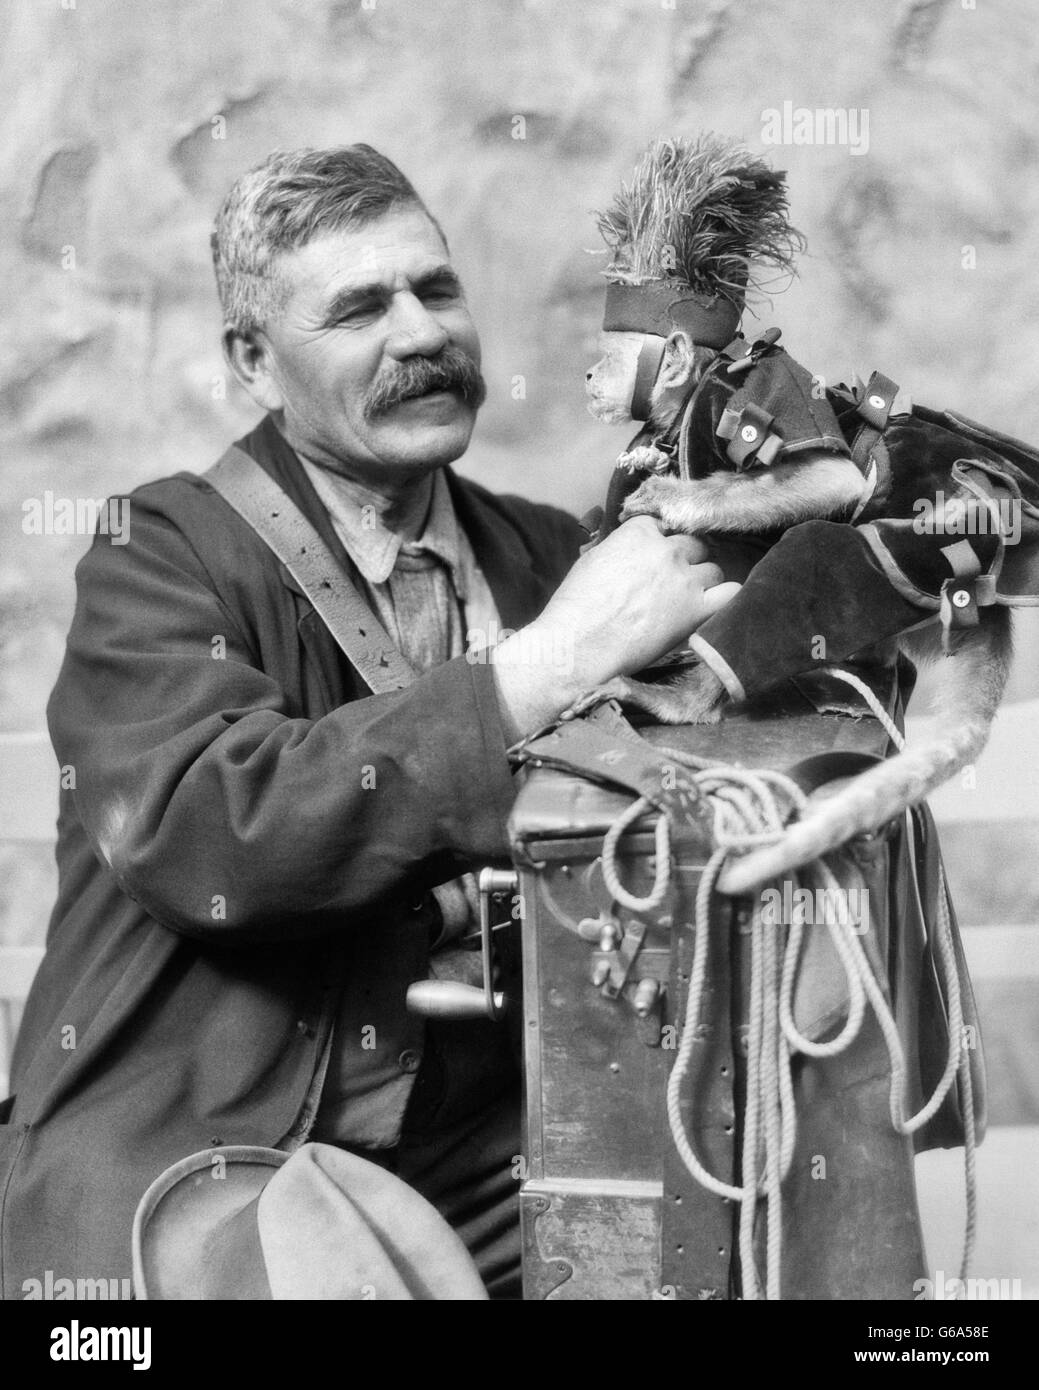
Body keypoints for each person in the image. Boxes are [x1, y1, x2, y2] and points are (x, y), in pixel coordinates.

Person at [0, 145, 738, 1301]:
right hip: (218, 1149)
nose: (420, 333)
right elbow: (218, 833)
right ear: (254, 359)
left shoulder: (549, 552)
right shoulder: (157, 553)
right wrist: (545, 665)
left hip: (493, 1145)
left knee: (712, 1248)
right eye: (358, 308)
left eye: (434, 289)